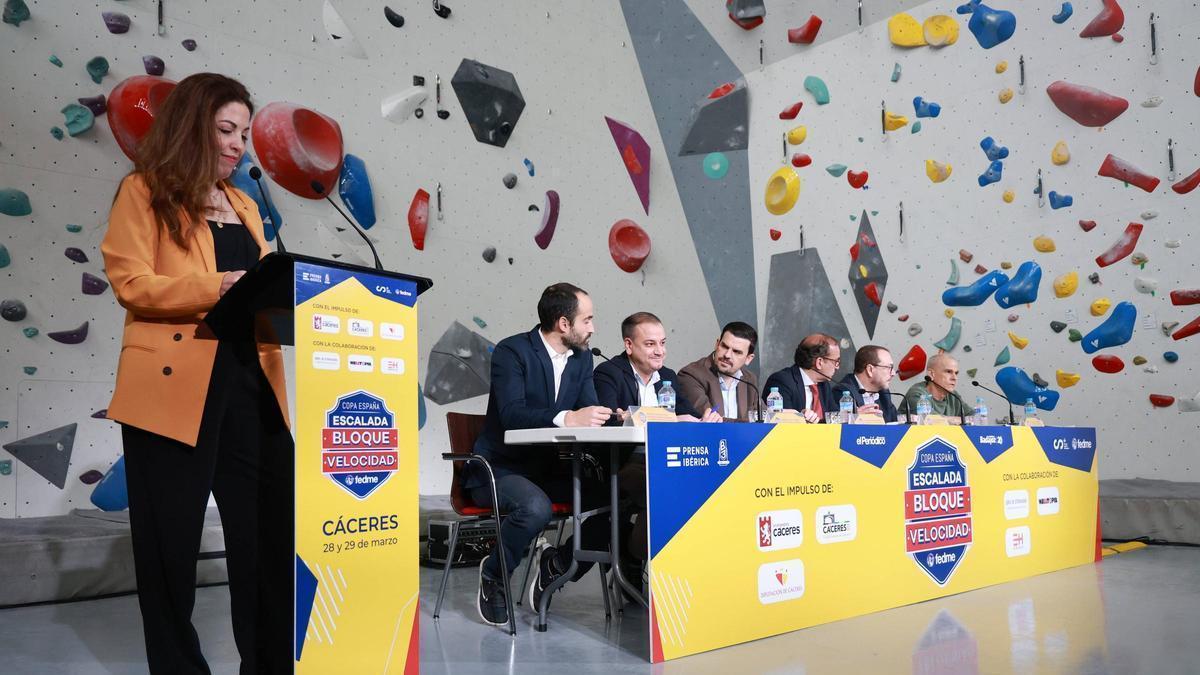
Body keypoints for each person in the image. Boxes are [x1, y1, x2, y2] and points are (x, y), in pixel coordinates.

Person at [100, 73, 293, 673]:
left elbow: (266, 287)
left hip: (252, 386)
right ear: (193, 128)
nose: (238, 145)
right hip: (171, 388)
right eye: (225, 130)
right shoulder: (144, 190)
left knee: (267, 541)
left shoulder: (246, 204)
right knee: (170, 550)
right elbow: (131, 284)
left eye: (243, 134)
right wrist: (220, 287)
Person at [465, 283, 614, 627]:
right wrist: (568, 417)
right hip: (497, 469)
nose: (592, 327)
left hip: (545, 470)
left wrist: (622, 415)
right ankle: (493, 575)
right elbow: (512, 413)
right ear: (564, 324)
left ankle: (558, 566)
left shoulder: (582, 358)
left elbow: (589, 407)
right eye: (587, 320)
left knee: (615, 502)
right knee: (535, 508)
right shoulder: (512, 351)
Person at [593, 312, 720, 568]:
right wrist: (670, 419)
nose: (659, 351)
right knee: (667, 492)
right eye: (650, 344)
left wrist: (705, 419)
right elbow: (609, 419)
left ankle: (633, 555)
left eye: (662, 343)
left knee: (707, 488)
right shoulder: (609, 372)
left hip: (664, 461)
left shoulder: (668, 376)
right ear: (629, 345)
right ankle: (634, 556)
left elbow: (688, 414)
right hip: (622, 464)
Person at [677, 322, 761, 421]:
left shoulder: (750, 380)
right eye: (724, 346)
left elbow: (765, 417)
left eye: (736, 352)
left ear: (748, 358)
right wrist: (751, 424)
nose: (727, 355)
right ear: (717, 344)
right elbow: (710, 420)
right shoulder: (691, 375)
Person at [762, 334, 842, 423]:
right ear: (819, 362)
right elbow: (780, 421)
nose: (837, 367)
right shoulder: (782, 381)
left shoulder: (824, 384)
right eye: (836, 362)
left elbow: (834, 419)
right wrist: (800, 416)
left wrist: (853, 415)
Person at [901, 353, 974, 422]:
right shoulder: (917, 394)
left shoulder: (953, 396)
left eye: (956, 373)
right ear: (931, 374)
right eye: (948, 372)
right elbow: (930, 419)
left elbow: (975, 417)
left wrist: (958, 420)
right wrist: (960, 420)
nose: (955, 378)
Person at [839, 345, 900, 422]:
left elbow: (896, 423)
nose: (893, 373)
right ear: (870, 370)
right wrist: (855, 417)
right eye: (889, 368)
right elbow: (838, 427)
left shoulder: (884, 394)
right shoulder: (843, 392)